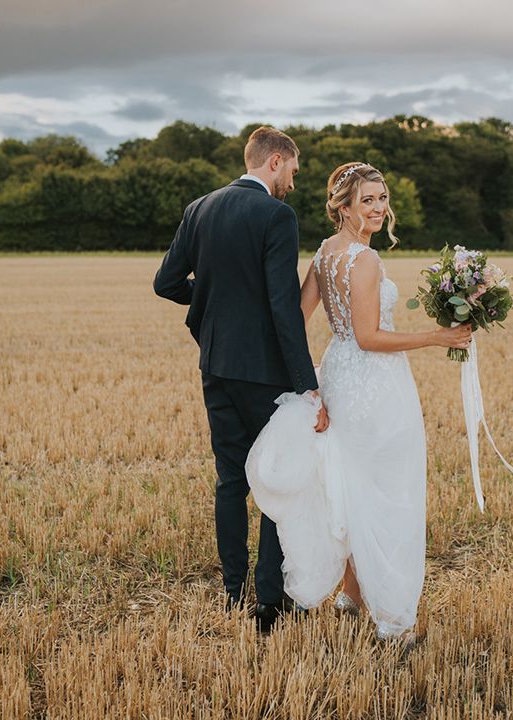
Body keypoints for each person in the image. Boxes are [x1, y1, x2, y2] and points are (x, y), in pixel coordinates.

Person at [246, 162, 471, 643]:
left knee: (351, 487)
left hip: (339, 376)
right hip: (375, 384)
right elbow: (369, 337)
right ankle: (392, 618)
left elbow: (297, 316)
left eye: (382, 198)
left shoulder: (326, 253)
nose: (378, 207)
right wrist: (438, 336)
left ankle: (351, 593)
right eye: (366, 200)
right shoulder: (365, 261)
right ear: (342, 206)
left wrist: (309, 380)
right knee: (388, 495)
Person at [153, 126, 328, 633]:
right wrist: (306, 381)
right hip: (264, 374)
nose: (292, 183)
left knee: (231, 479)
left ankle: (233, 591)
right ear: (275, 161)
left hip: (215, 366)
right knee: (276, 475)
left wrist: (210, 301)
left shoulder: (198, 208)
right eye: (292, 171)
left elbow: (166, 283)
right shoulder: (276, 215)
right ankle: (268, 603)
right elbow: (281, 306)